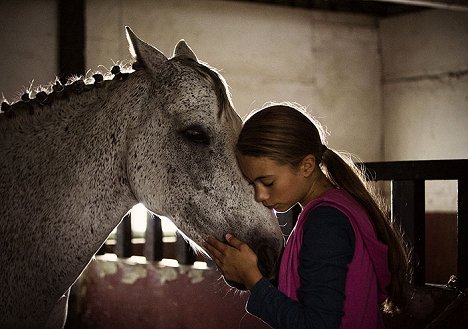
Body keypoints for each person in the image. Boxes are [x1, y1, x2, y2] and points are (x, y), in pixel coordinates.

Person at [204, 103, 410, 329]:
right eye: (253, 183)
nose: (260, 195)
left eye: (268, 182)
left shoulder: (326, 223)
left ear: (307, 166)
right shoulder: (334, 208)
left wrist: (252, 279)